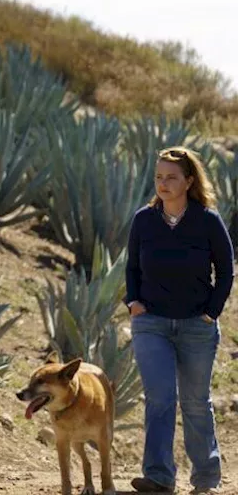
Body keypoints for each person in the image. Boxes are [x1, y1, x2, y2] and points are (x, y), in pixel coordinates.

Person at [124, 146, 233, 494]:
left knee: (195, 404)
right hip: (151, 323)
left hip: (196, 327)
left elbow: (227, 271)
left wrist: (210, 312)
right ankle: (158, 476)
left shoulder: (207, 220)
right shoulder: (144, 219)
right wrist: (134, 302)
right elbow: (132, 267)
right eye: (159, 177)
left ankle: (205, 479)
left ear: (188, 181)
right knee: (159, 399)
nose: (163, 183)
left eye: (171, 177)